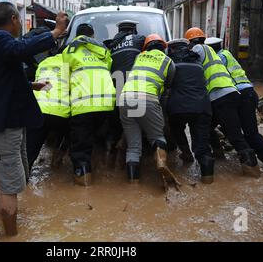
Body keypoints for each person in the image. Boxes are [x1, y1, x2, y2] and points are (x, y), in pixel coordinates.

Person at [0, 2, 67, 236]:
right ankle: (10, 236)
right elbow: (21, 48)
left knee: (4, 176)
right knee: (11, 186)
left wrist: (31, 85)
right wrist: (55, 33)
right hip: (1, 127)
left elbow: (1, 80)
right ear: (14, 20)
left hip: (4, 124)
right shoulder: (0, 41)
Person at [205, 37, 263, 174]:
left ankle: (252, 172)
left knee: (234, 135)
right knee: (252, 134)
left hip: (234, 95)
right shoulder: (228, 54)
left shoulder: (216, 59)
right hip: (249, 93)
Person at [184, 27, 260, 178]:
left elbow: (189, 61)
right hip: (230, 93)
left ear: (191, 42)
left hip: (220, 96)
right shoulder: (212, 52)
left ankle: (252, 171)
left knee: (235, 135)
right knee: (210, 127)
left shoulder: (199, 48)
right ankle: (219, 154)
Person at [119, 34, 177, 185]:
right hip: (148, 98)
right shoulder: (168, 61)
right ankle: (161, 162)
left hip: (126, 98)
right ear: (163, 47)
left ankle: (133, 183)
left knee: (133, 146)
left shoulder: (140, 57)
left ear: (146, 48)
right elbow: (169, 84)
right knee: (157, 137)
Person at [62, 23, 116, 186]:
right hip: (107, 102)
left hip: (83, 103)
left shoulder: (69, 51)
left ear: (76, 36)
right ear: (92, 36)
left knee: (81, 146)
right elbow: (107, 69)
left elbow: (65, 79)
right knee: (99, 134)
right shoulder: (103, 50)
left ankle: (84, 179)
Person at [166, 39, 215, 184]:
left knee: (176, 128)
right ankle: (208, 179)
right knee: (202, 144)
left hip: (178, 107)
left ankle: (186, 153)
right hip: (202, 107)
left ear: (172, 49)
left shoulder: (170, 64)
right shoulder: (198, 63)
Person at [105, 20, 146, 167]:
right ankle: (126, 151)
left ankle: (109, 155)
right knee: (133, 123)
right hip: (134, 88)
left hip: (114, 89)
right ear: (133, 30)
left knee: (116, 124)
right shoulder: (139, 39)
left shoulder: (110, 45)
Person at [26, 53, 70, 172]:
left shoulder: (43, 63)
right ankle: (58, 158)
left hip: (38, 111)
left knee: (32, 148)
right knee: (72, 130)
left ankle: (24, 177)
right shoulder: (70, 63)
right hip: (61, 113)